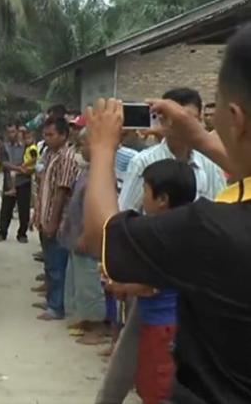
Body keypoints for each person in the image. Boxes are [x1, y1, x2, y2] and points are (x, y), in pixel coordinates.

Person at [84, 24, 251, 404]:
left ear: (236, 118)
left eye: (214, 110)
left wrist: (103, 149)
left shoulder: (211, 229)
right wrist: (200, 136)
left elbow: (102, 235)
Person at [94, 88, 227, 404]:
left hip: (193, 282)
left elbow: (220, 212)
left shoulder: (209, 164)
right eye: (175, 117)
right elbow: (122, 216)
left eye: (189, 118)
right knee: (135, 352)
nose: (182, 124)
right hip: (150, 269)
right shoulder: (145, 162)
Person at [117, 159, 196, 404]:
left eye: (145, 191)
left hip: (162, 328)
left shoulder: (162, 236)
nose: (142, 199)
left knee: (157, 388)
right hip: (168, 323)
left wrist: (118, 285)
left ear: (162, 199)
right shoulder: (186, 228)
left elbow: (148, 286)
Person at [59, 127, 107, 345]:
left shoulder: (101, 173)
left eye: (83, 144)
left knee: (90, 284)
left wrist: (87, 234)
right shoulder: (87, 170)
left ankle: (97, 327)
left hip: (88, 239)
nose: (80, 149)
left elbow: (97, 208)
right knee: (78, 281)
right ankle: (85, 320)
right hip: (76, 235)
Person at [34, 116, 77, 321]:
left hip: (58, 222)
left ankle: (57, 306)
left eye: (51, 135)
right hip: (45, 217)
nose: (47, 138)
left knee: (57, 265)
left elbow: (61, 192)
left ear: (63, 135)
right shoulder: (50, 155)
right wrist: (38, 214)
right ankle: (51, 299)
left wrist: (52, 222)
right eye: (45, 134)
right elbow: (44, 188)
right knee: (50, 262)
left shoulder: (66, 158)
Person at [0, 123, 31, 243]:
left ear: (17, 131)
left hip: (24, 181)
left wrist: (24, 169)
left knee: (24, 209)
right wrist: (18, 168)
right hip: (9, 181)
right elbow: (4, 163)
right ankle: (2, 232)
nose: (11, 135)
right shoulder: (4, 146)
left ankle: (22, 234)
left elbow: (31, 159)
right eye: (9, 132)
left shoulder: (25, 145)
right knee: (6, 209)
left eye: (13, 132)